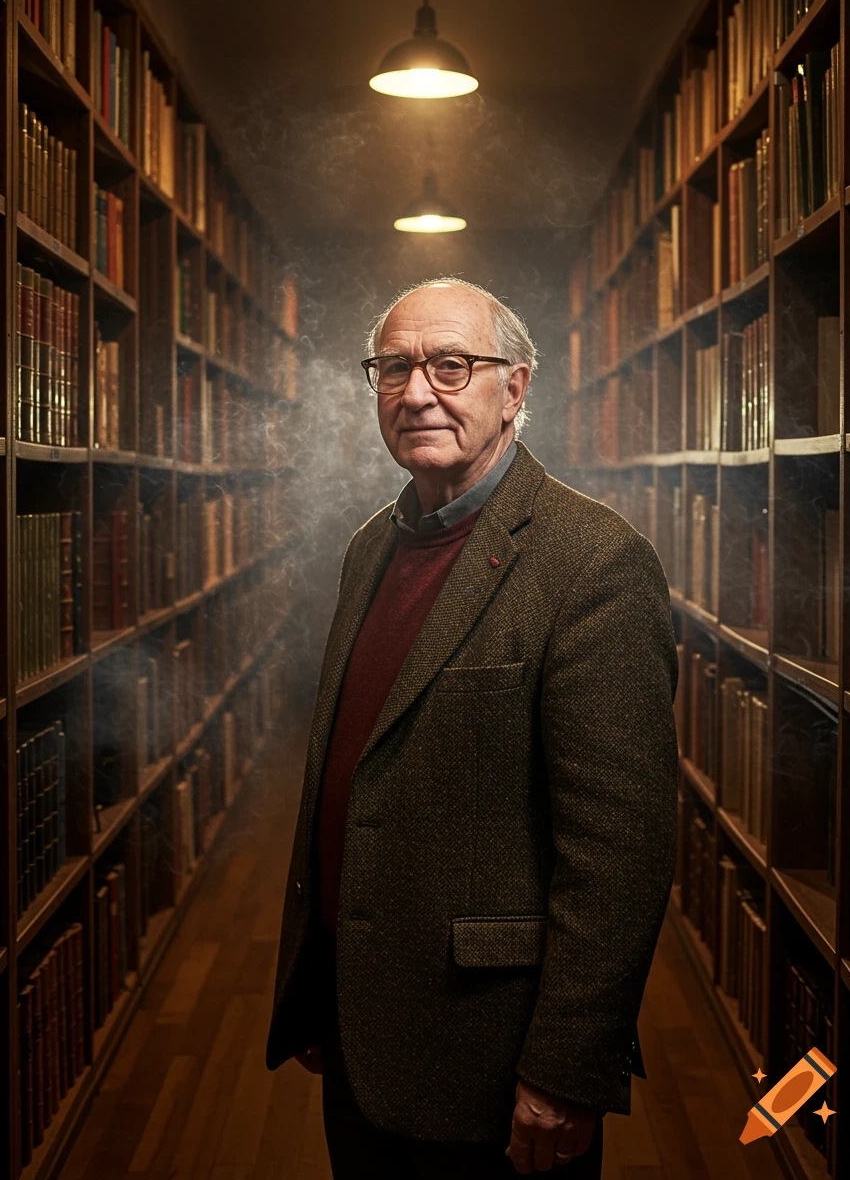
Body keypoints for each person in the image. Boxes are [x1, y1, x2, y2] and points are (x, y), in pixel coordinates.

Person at [265, 277, 679, 1178]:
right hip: (361, 1022)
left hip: (492, 1054)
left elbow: (621, 853)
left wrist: (566, 1070)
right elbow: (353, 780)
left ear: (516, 390)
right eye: (394, 368)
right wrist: (316, 991)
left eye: (452, 366)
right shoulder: (371, 545)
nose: (418, 393)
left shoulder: (593, 561)